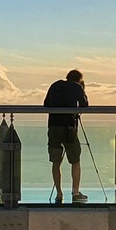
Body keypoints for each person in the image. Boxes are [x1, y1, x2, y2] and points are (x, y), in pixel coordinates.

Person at [43, 69, 91, 204]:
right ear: (79, 79)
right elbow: (84, 105)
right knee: (75, 160)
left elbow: (46, 104)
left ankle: (59, 193)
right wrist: (83, 90)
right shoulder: (77, 87)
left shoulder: (55, 85)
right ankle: (75, 192)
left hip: (53, 127)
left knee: (56, 161)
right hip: (69, 127)